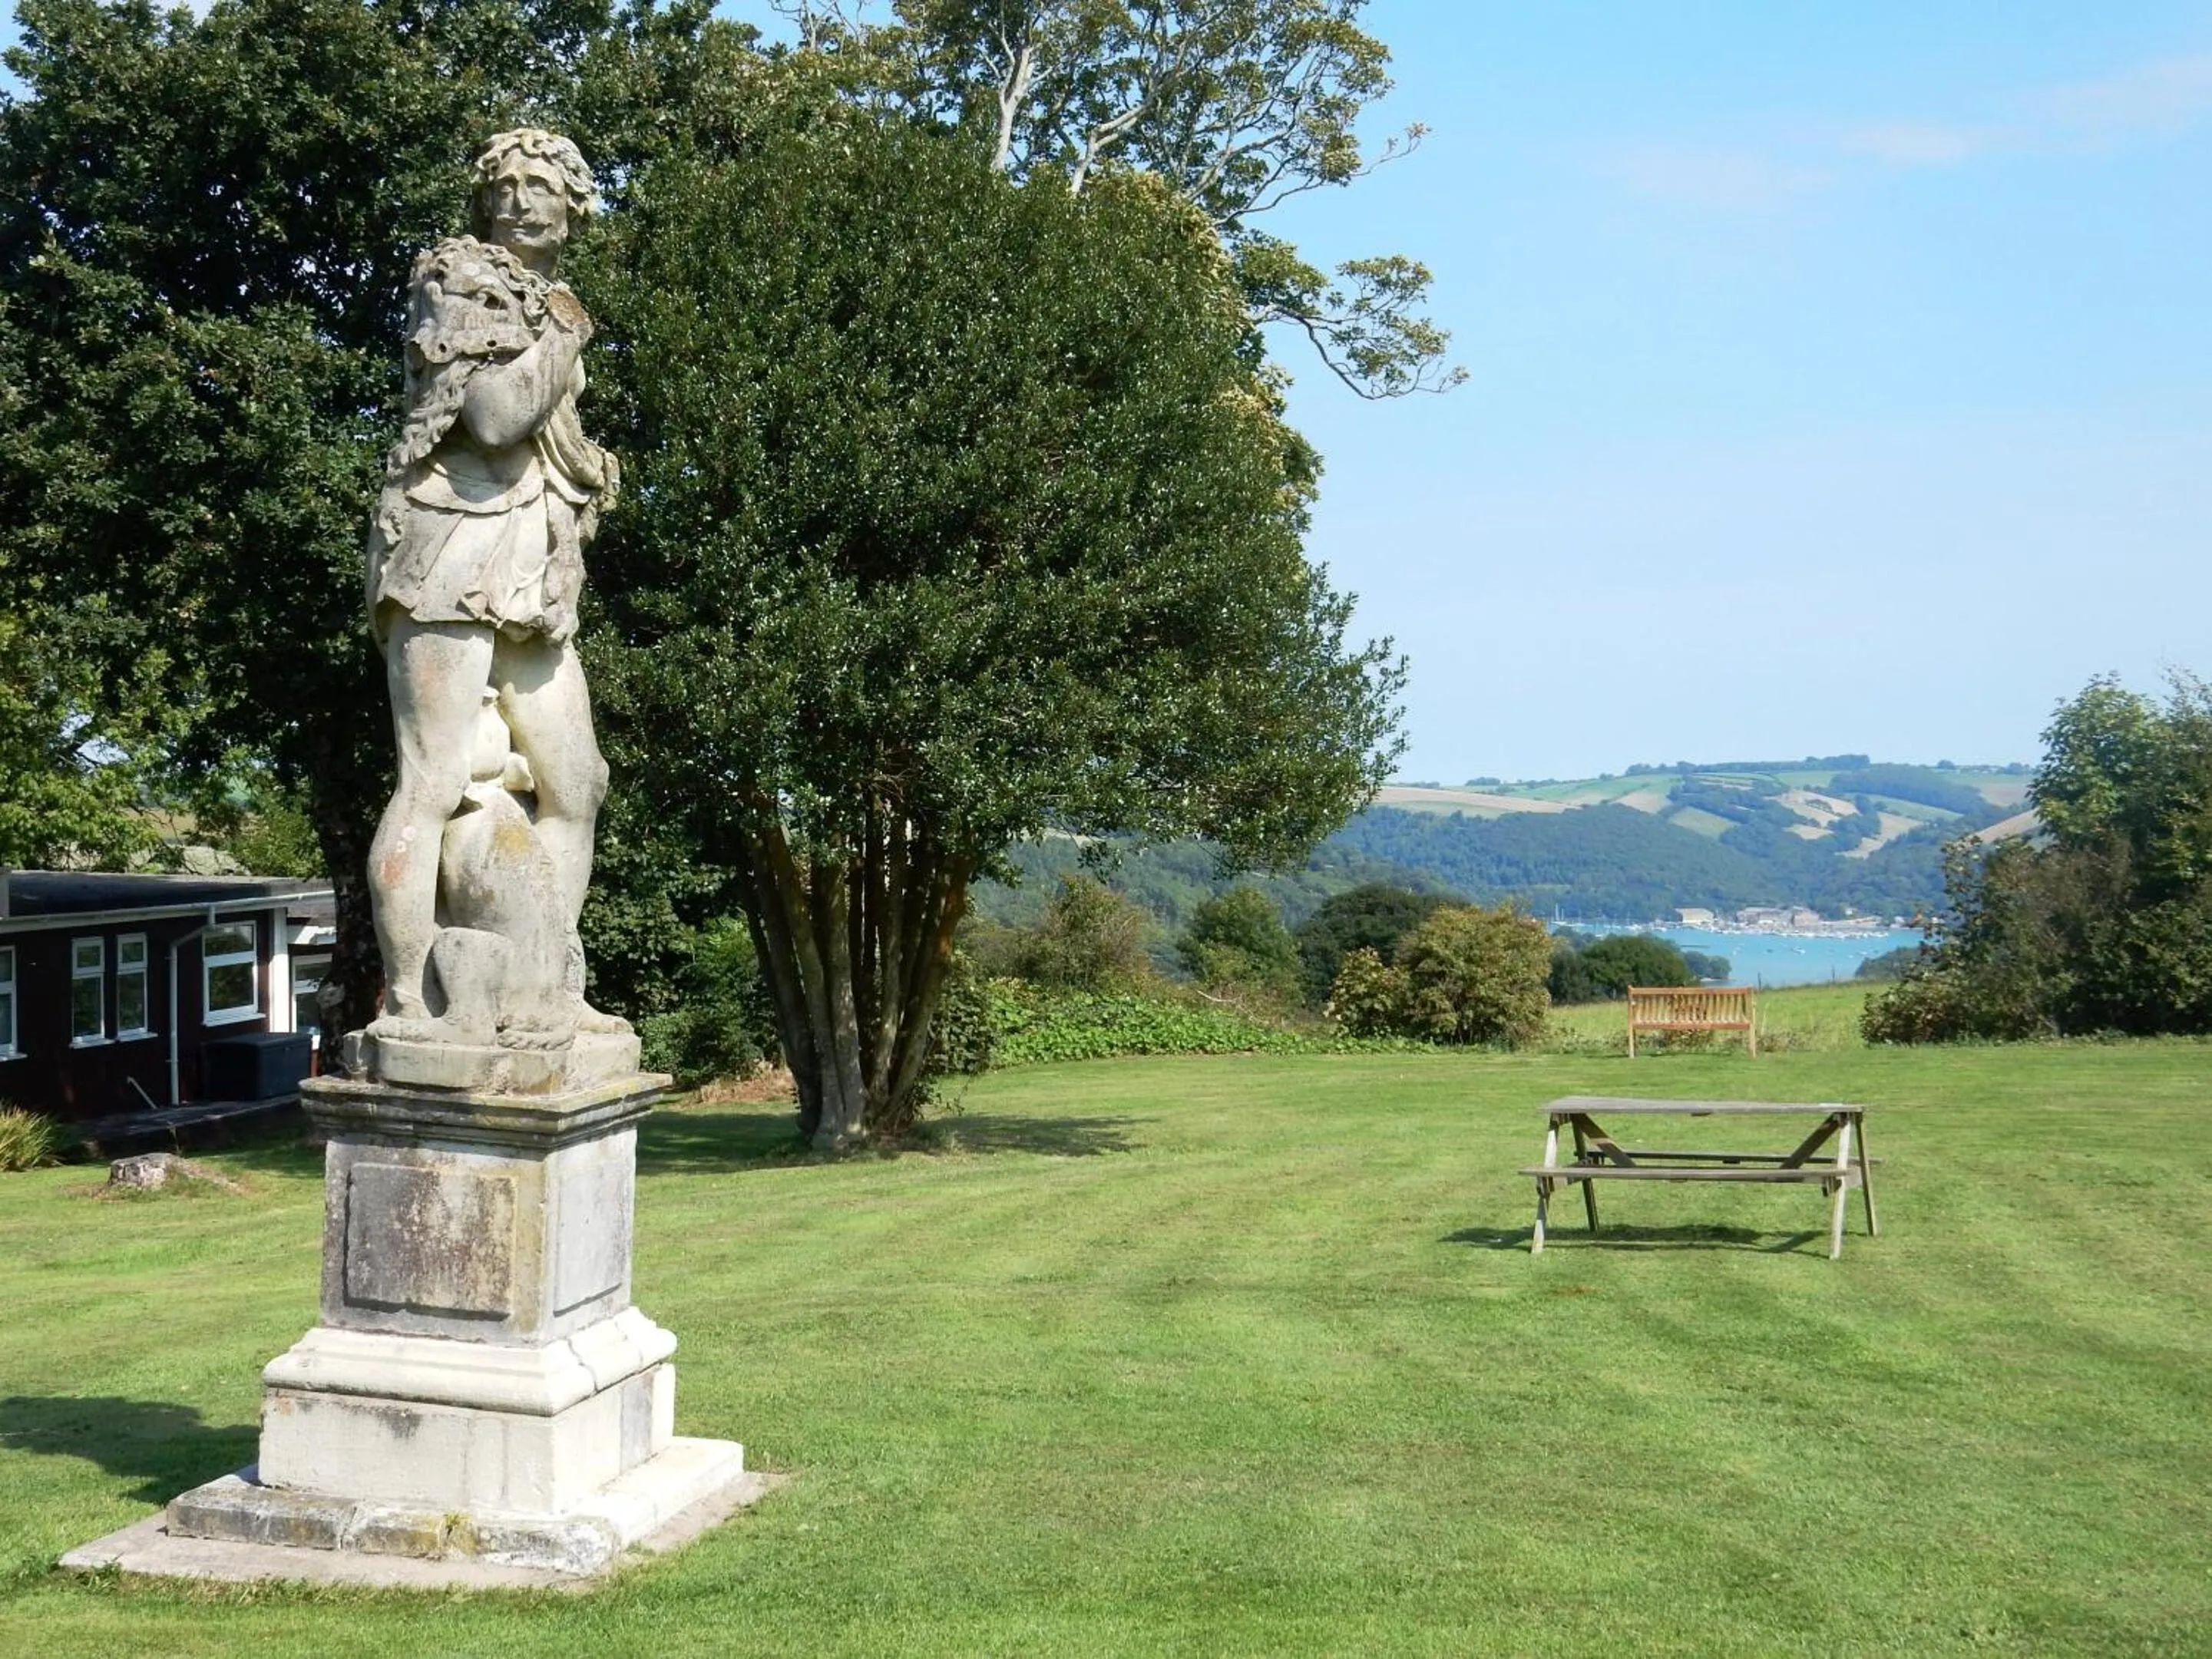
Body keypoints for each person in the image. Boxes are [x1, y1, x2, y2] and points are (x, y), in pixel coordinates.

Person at [363, 128, 622, 1046]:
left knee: (576, 782)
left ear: (573, 203)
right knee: (432, 779)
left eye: (541, 183)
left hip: (530, 556)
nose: (520, 198)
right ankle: (408, 1000)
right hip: (448, 549)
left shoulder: (538, 296)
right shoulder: (457, 276)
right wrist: (567, 330)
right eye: (504, 184)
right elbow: (497, 415)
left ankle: (539, 982)